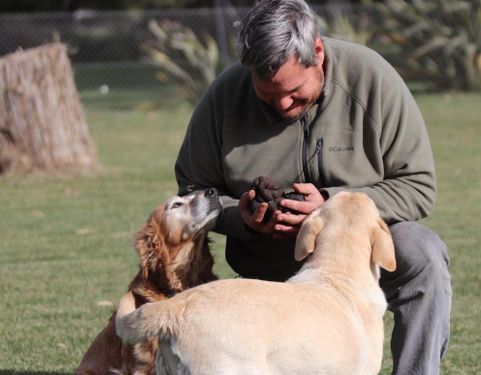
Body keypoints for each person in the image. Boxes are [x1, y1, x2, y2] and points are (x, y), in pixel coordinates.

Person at [174, 0, 451, 374]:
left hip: (354, 260)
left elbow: (418, 186)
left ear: (317, 52)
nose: (284, 104)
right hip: (269, 265)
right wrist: (239, 217)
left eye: (293, 90)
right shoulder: (225, 96)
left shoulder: (372, 78)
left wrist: (329, 206)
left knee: (423, 253)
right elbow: (193, 188)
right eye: (267, 95)